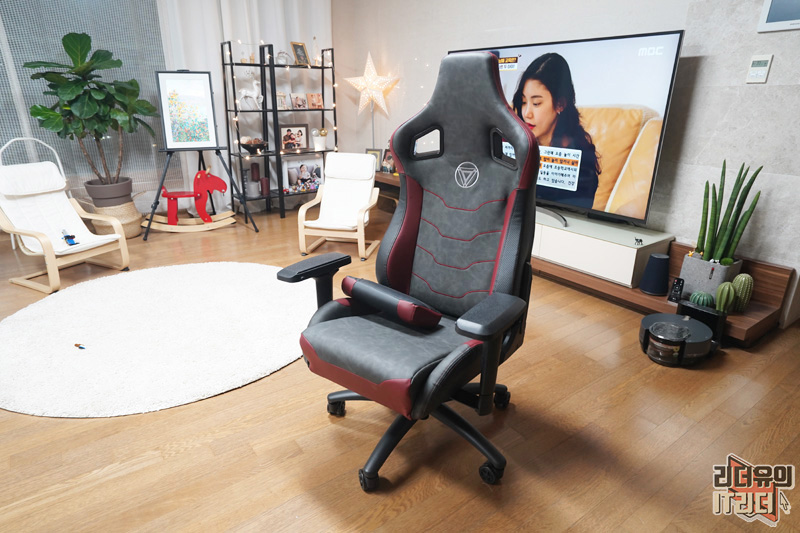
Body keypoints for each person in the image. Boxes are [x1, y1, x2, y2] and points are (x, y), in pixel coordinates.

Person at [511, 53, 600, 209]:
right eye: (524, 102)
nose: (526, 113)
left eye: (536, 103)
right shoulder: (517, 143)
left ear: (560, 104)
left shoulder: (579, 160)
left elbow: (574, 213)